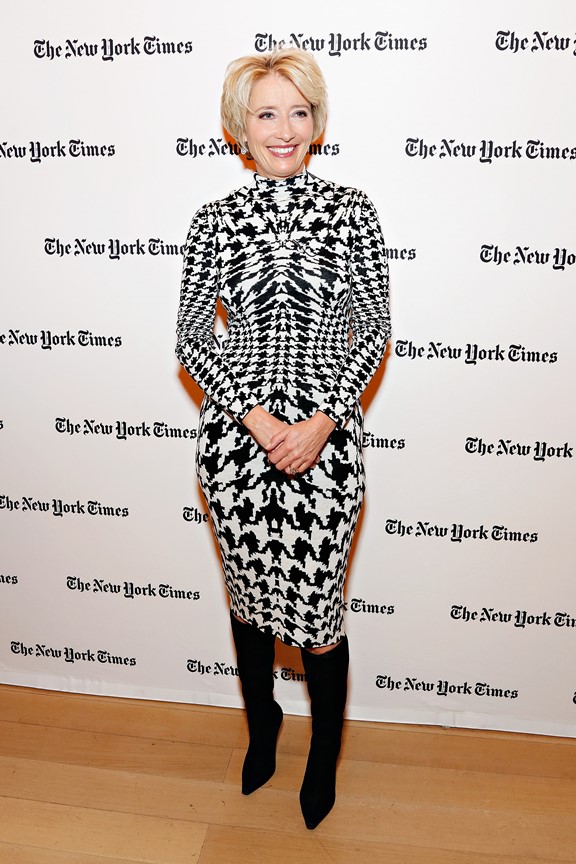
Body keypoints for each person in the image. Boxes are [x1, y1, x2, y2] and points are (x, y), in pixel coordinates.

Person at [176, 48, 390, 829]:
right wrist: (260, 421)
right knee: (248, 598)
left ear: (317, 122)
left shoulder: (353, 211)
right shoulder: (214, 221)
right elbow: (193, 335)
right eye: (267, 113)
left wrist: (322, 420)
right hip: (238, 442)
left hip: (325, 445)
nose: (284, 128)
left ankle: (323, 753)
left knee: (319, 609)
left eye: (299, 112)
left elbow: (373, 328)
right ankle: (262, 725)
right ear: (240, 126)